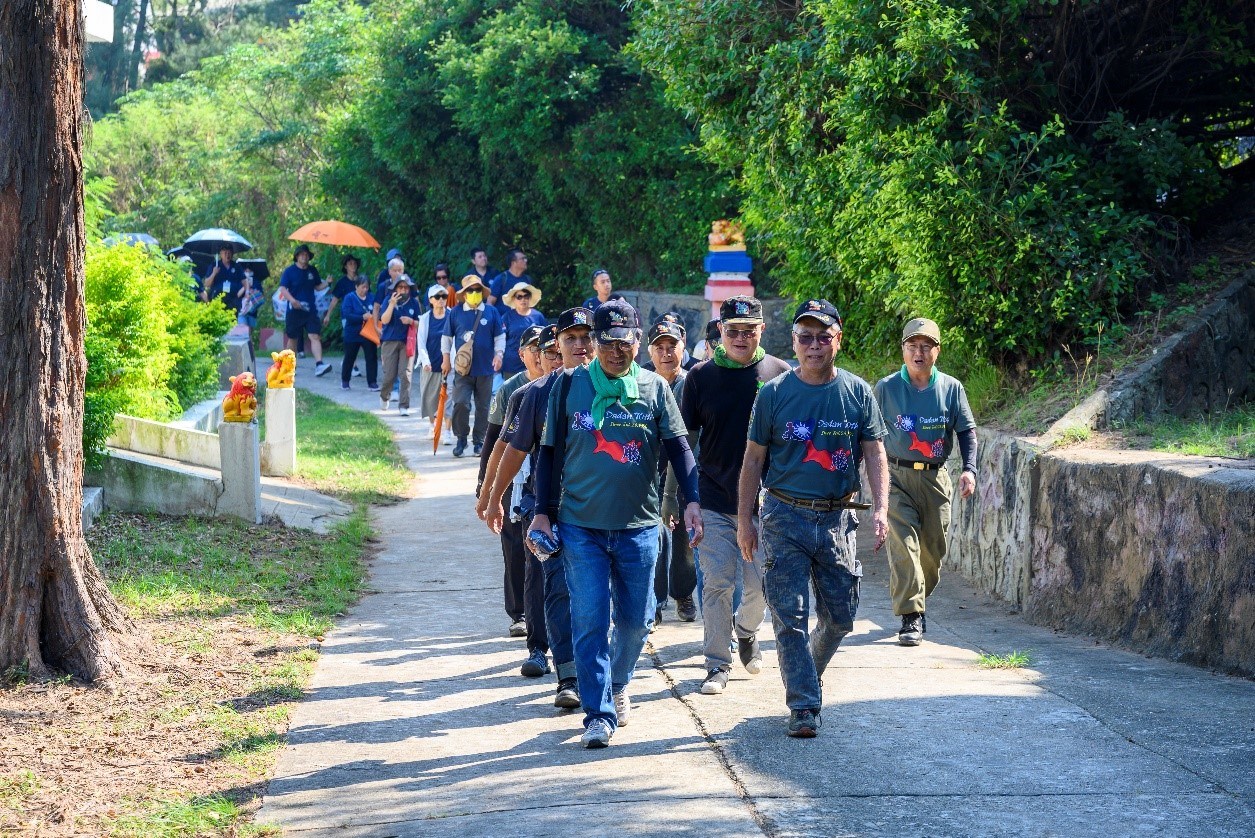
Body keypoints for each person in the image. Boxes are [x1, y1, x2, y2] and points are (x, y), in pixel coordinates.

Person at [530, 299, 704, 749]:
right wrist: (543, 511)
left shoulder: (653, 389)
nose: (615, 351)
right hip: (581, 526)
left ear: (637, 342)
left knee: (638, 619)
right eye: (605, 342)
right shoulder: (569, 387)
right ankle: (598, 714)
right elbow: (548, 453)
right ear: (595, 343)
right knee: (589, 618)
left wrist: (691, 501)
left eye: (623, 342)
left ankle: (619, 681)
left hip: (640, 526)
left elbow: (680, 448)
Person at [737, 299, 889, 739]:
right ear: (794, 342)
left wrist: (880, 508)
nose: (814, 345)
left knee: (841, 617)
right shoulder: (774, 394)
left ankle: (807, 673)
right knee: (789, 617)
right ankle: (803, 705)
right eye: (805, 337)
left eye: (823, 336)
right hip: (784, 515)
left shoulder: (858, 393)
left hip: (838, 518)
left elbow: (875, 452)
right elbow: (752, 460)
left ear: (838, 340)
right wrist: (745, 519)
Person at [480, 308, 595, 712]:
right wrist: (490, 495)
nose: (577, 348)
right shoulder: (530, 393)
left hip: (601, 511)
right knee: (550, 584)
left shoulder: (619, 388)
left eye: (586, 338)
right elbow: (506, 448)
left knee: (597, 596)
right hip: (544, 506)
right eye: (567, 341)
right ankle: (562, 669)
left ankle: (602, 673)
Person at [681, 295, 792, 695]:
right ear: (720, 333)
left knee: (761, 585)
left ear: (762, 330)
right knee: (717, 583)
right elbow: (682, 443)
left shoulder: (780, 375)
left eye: (749, 331)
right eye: (733, 331)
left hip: (766, 504)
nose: (741, 338)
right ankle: (716, 664)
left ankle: (746, 631)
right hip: (713, 499)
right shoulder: (699, 378)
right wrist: (682, 498)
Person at [873, 317, 978, 646]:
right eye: (912, 345)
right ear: (903, 349)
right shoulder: (886, 388)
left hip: (935, 478)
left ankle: (916, 598)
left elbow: (966, 431)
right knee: (904, 546)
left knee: (933, 552)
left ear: (937, 350)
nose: (919, 352)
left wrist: (969, 469)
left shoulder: (951, 387)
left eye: (926, 345)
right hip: (896, 476)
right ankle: (911, 617)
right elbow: (869, 434)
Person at [476, 324, 549, 642]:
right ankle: (518, 612)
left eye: (542, 347)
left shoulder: (565, 385)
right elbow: (494, 441)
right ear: (522, 355)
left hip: (544, 475)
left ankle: (543, 612)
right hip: (514, 473)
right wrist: (486, 486)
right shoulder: (511, 390)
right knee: (512, 543)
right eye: (531, 348)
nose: (538, 353)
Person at [646, 318, 699, 627]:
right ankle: (653, 600)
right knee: (650, 539)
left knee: (683, 538)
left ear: (684, 349)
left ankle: (683, 593)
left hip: (685, 467)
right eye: (659, 348)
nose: (666, 354)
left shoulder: (693, 383)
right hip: (648, 472)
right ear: (651, 352)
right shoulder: (640, 382)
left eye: (672, 347)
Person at [441, 275, 504, 457]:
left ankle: (479, 441)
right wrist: (445, 359)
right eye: (470, 290)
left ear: (482, 292)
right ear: (464, 293)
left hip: (485, 369)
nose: (474, 293)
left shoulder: (491, 312)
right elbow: (446, 338)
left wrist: (498, 355)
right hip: (462, 369)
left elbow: (499, 338)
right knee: (460, 403)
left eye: (477, 290)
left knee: (483, 407)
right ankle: (461, 438)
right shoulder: (455, 312)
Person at [278, 245, 332, 376]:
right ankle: (289, 367)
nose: (304, 256)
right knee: (293, 339)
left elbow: (318, 286)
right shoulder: (289, 271)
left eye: (306, 254)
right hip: (294, 310)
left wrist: (328, 283)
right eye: (302, 254)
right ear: (297, 256)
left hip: (310, 310)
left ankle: (319, 364)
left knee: (315, 335)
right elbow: (283, 289)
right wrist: (292, 300)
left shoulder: (312, 271)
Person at [378, 276, 422, 415]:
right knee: (389, 375)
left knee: (406, 374)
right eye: (400, 287)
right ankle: (384, 396)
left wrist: (410, 321)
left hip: (407, 342)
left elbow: (421, 324)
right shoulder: (388, 300)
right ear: (395, 288)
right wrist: (391, 304)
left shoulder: (414, 303)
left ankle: (404, 406)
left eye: (406, 287)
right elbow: (384, 320)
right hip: (389, 341)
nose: (403, 290)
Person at [415, 283, 451, 433]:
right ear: (431, 300)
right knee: (430, 398)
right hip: (431, 363)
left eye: (444, 296)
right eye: (437, 297)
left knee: (449, 399)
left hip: (448, 364)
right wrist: (425, 361)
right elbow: (421, 342)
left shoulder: (452, 315)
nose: (441, 299)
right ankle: (433, 425)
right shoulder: (425, 319)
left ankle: (447, 431)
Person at [499, 281, 547, 378]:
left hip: (535, 364)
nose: (523, 299)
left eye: (526, 296)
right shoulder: (506, 317)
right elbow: (500, 340)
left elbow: (546, 340)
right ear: (514, 299)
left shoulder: (538, 316)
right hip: (511, 366)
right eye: (519, 297)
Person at [339, 275, 378, 391]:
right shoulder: (349, 298)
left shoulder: (371, 297)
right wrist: (362, 317)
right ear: (356, 286)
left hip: (368, 332)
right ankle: (345, 381)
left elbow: (377, 311)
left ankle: (372, 382)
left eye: (366, 287)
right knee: (350, 357)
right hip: (352, 333)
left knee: (371, 357)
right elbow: (347, 314)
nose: (364, 289)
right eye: (362, 287)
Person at [201, 246, 245, 312]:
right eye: (225, 253)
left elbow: (244, 280)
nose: (227, 255)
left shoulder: (237, 266)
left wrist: (246, 293)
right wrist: (214, 273)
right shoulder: (214, 265)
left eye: (229, 253)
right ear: (221, 254)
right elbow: (206, 284)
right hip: (218, 300)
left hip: (233, 301)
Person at [488, 248, 531, 315]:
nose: (526, 261)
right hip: (503, 322)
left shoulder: (527, 280)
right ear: (513, 263)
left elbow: (530, 303)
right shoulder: (501, 279)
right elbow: (490, 303)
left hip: (523, 321)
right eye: (522, 259)